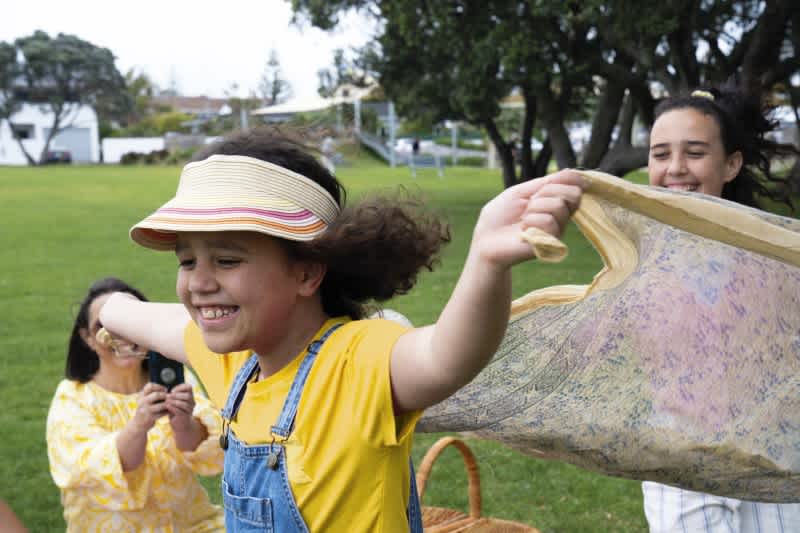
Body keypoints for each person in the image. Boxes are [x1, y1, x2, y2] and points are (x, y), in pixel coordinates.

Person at [99, 128, 585, 532]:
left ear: (308, 273)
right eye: (187, 261)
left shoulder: (359, 359)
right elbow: (143, 316)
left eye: (226, 260)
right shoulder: (230, 359)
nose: (199, 283)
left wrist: (487, 261)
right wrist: (107, 309)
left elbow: (447, 355)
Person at [643, 83, 800, 532]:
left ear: (731, 163)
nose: (675, 168)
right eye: (660, 154)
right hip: (685, 458)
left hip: (771, 460)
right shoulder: (641, 252)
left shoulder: (773, 256)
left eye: (694, 153)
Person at [46, 277, 224, 532]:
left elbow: (214, 454)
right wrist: (139, 425)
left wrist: (184, 424)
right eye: (104, 327)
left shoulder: (173, 376)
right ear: (88, 338)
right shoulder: (73, 398)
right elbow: (95, 473)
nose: (123, 336)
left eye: (130, 326)